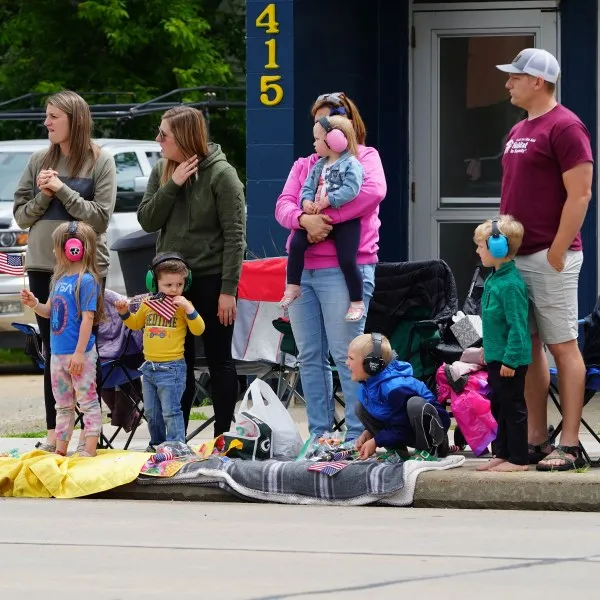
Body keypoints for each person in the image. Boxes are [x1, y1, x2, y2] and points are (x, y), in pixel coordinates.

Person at [496, 49, 593, 471]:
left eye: (515, 77)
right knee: (529, 348)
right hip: (517, 258)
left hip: (551, 257)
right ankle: (536, 439)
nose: (508, 84)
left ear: (538, 81)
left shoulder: (567, 126)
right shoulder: (518, 128)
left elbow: (581, 194)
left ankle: (570, 444)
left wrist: (557, 248)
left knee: (562, 346)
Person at [275, 92, 386, 440]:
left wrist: (323, 218)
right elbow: (283, 205)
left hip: (343, 270)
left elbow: (371, 195)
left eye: (328, 126)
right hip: (303, 271)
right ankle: (320, 435)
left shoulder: (366, 157)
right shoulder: (305, 165)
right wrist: (302, 221)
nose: (321, 135)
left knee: (346, 354)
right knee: (308, 356)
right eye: (317, 129)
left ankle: (356, 436)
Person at [13, 90, 117, 453]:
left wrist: (62, 190)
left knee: (87, 349)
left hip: (86, 271)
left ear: (74, 119)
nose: (47, 122)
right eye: (46, 116)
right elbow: (21, 215)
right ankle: (53, 434)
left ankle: (92, 434)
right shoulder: (39, 160)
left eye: (54, 116)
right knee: (53, 351)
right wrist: (44, 195)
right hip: (43, 267)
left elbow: (101, 218)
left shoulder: (100, 162)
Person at [137, 106, 246, 437]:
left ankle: (223, 439)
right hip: (170, 283)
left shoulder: (222, 175)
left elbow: (235, 237)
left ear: (183, 137)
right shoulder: (161, 170)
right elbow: (147, 220)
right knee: (175, 364)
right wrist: (172, 184)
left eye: (164, 134)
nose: (158, 139)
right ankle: (175, 440)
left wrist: (228, 290)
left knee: (218, 360)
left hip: (212, 281)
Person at [20, 222, 104, 457]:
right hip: (57, 355)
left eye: (57, 247)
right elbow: (49, 312)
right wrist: (34, 303)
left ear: (73, 249)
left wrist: (79, 353)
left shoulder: (86, 281)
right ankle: (61, 450)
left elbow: (88, 320)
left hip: (80, 354)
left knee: (87, 403)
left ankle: (89, 450)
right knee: (63, 405)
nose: (54, 252)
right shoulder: (58, 280)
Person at [116, 254, 205, 449]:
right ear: (155, 283)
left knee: (171, 411)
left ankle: (176, 445)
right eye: (168, 285)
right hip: (149, 368)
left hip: (172, 368)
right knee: (151, 411)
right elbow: (136, 323)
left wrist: (190, 309)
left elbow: (198, 329)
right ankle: (157, 443)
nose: (174, 289)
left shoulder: (183, 307)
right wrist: (124, 313)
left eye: (179, 285)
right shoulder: (148, 305)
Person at [280, 115, 365, 321]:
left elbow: (352, 189)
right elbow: (307, 187)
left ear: (335, 140)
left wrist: (329, 200)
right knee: (296, 245)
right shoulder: (318, 165)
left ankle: (356, 302)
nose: (314, 143)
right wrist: (306, 202)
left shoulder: (351, 164)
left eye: (317, 139)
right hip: (315, 216)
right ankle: (293, 287)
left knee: (347, 259)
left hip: (344, 223)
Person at [473, 216, 532, 472]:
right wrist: (488, 348)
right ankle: (503, 453)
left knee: (513, 408)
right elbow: (494, 325)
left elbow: (518, 327)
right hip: (497, 357)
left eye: (481, 246)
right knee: (499, 406)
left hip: (511, 361)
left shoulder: (510, 285)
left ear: (499, 248)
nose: (477, 251)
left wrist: (510, 359)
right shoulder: (494, 280)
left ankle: (519, 459)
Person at [346, 333, 450, 460]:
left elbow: (403, 425)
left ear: (371, 364)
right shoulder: (368, 385)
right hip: (404, 430)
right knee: (360, 408)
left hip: (433, 433)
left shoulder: (395, 388)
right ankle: (397, 451)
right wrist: (370, 432)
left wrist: (377, 441)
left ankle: (429, 450)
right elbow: (392, 417)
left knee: (415, 405)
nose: (347, 363)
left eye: (351, 359)